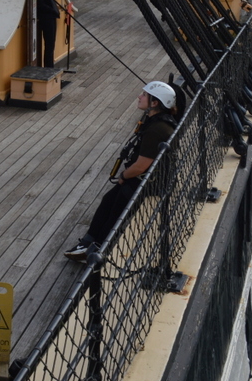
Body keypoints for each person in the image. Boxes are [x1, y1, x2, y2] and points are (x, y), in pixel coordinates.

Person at [64, 80, 178, 260]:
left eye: (144, 95)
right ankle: (87, 242)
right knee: (108, 200)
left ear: (155, 103)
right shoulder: (155, 121)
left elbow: (141, 166)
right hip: (146, 177)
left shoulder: (157, 130)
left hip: (150, 181)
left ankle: (98, 251)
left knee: (117, 209)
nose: (139, 97)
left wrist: (123, 175)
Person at [34, 0, 73, 69]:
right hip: (46, 18)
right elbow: (40, 4)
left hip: (51, 17)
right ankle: (48, 68)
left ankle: (49, 67)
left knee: (51, 46)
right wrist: (52, 10)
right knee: (49, 46)